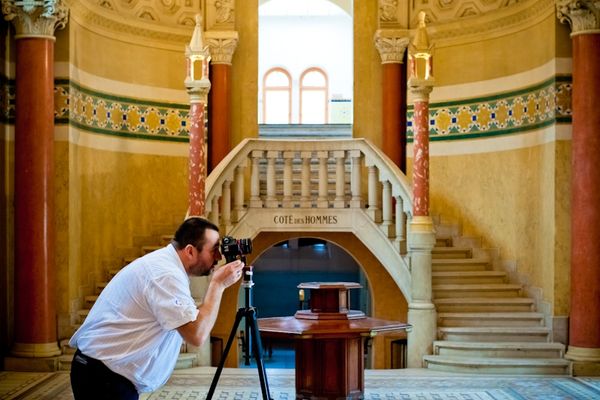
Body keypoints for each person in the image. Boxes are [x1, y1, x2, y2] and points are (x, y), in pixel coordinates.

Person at [69, 217, 245, 400]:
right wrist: (217, 285)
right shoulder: (165, 275)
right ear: (190, 251)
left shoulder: (167, 266)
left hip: (106, 373)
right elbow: (196, 334)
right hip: (104, 378)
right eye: (214, 250)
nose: (219, 257)